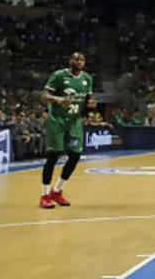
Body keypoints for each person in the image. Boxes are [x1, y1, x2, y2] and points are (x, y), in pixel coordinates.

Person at [39, 52, 95, 209]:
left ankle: (56, 191)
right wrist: (58, 100)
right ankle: (44, 195)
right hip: (57, 119)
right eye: (76, 59)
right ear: (70, 61)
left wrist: (91, 102)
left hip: (75, 121)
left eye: (81, 59)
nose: (78, 61)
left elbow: (89, 97)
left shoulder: (87, 79)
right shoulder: (58, 75)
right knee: (53, 156)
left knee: (75, 155)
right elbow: (44, 95)